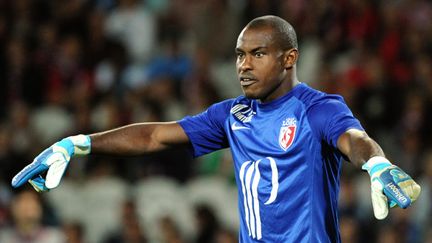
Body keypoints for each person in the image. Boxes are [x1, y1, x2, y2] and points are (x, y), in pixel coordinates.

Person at [11, 15, 421, 242]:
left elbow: (354, 140)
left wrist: (377, 164)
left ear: (289, 57)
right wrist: (80, 143)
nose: (244, 65)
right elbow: (153, 135)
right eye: (240, 55)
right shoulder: (231, 115)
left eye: (258, 54)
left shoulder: (317, 109)